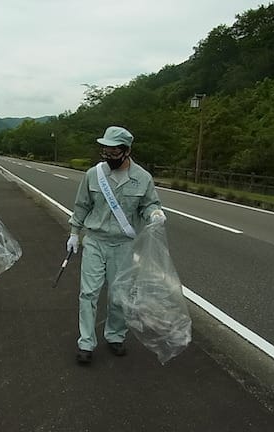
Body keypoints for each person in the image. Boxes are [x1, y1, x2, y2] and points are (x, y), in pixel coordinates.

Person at [67, 126, 166, 364]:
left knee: (119, 294)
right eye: (105, 151)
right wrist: (74, 233)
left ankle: (115, 335)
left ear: (126, 151)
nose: (108, 156)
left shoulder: (142, 178)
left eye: (113, 152)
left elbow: (149, 204)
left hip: (123, 244)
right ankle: (86, 342)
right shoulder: (93, 174)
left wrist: (155, 213)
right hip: (95, 240)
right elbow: (81, 205)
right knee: (88, 293)